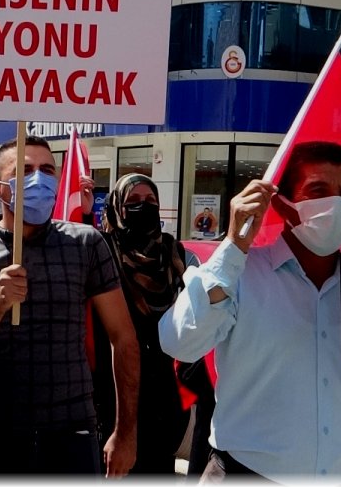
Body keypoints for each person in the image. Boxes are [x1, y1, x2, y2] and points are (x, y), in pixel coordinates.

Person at [159, 141, 341, 481]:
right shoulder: (240, 272)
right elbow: (180, 342)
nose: (336, 203)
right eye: (318, 190)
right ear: (284, 204)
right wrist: (233, 245)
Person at [0, 135, 140, 476]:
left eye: (47, 170)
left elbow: (123, 339)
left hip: (71, 435)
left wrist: (125, 433)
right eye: (25, 170)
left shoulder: (86, 244)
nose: (39, 179)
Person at [94, 173, 189, 476]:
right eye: (133, 201)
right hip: (115, 385)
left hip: (165, 385)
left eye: (150, 201)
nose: (143, 207)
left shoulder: (172, 252)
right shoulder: (103, 249)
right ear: (116, 208)